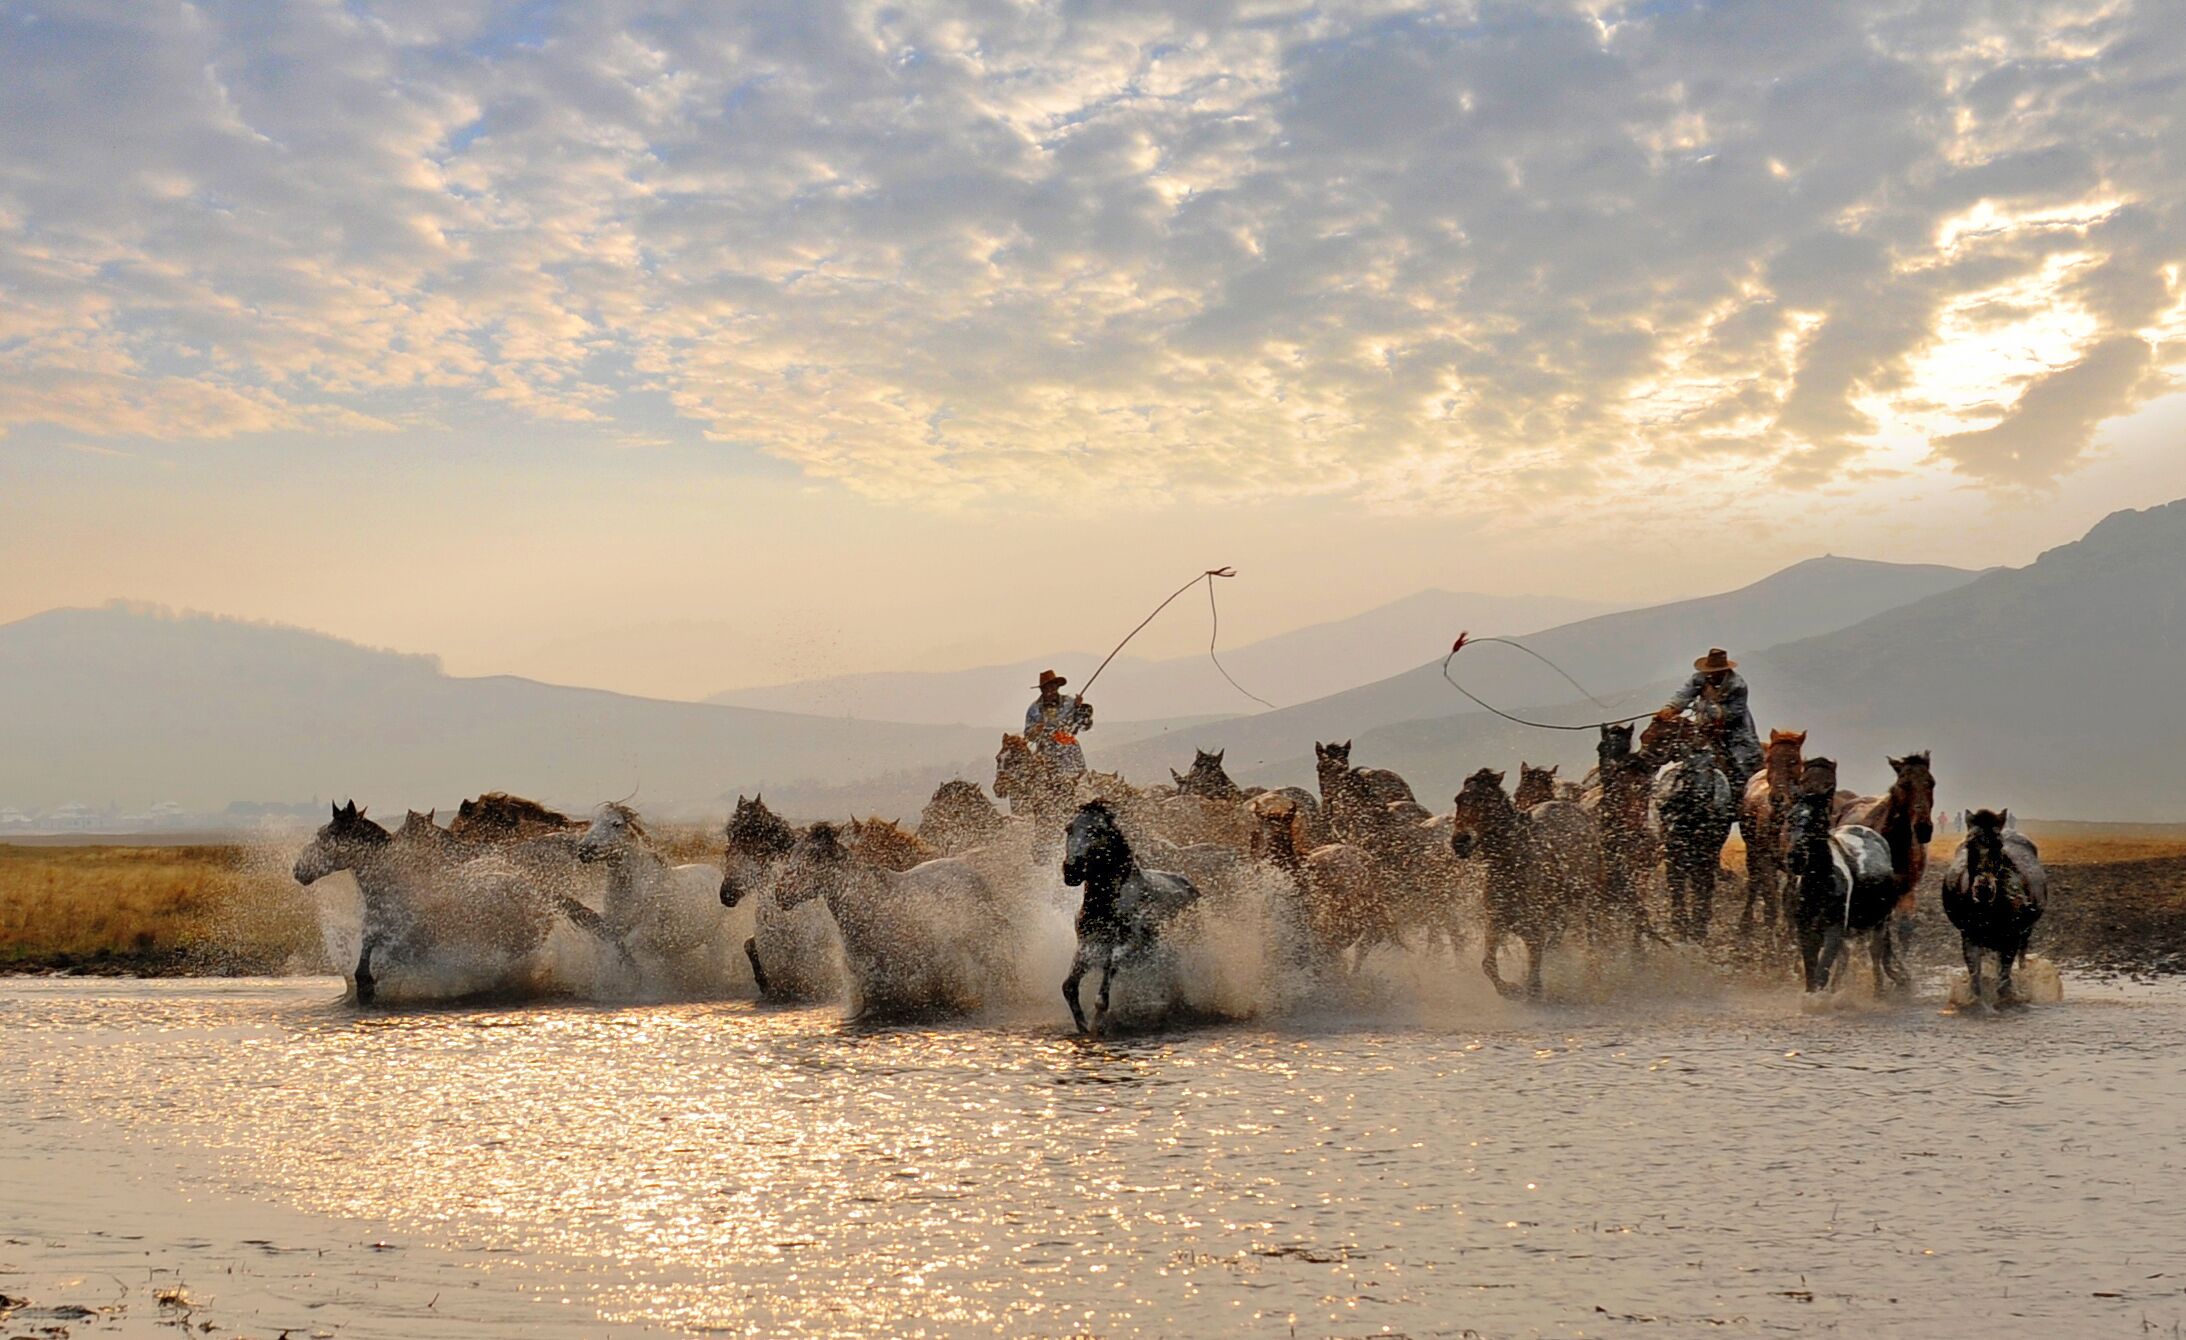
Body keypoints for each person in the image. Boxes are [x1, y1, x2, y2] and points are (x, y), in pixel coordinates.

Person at [1664, 648, 1762, 786]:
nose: (1710, 675)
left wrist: (1710, 709)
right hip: (1704, 722)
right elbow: (1684, 693)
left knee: (1743, 758)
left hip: (1734, 727)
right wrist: (1672, 708)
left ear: (1723, 671)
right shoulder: (1699, 678)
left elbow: (1734, 711)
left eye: (1714, 672)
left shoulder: (1737, 685)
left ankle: (1743, 787)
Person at [1025, 669, 1094, 776]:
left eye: (1052, 687)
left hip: (1070, 751)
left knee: (1080, 781)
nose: (1049, 691)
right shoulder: (1034, 709)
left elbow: (1084, 726)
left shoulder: (1070, 703)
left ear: (1057, 687)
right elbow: (1028, 735)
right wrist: (1035, 730)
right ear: (1042, 690)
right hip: (1045, 754)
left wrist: (1081, 710)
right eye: (1046, 688)